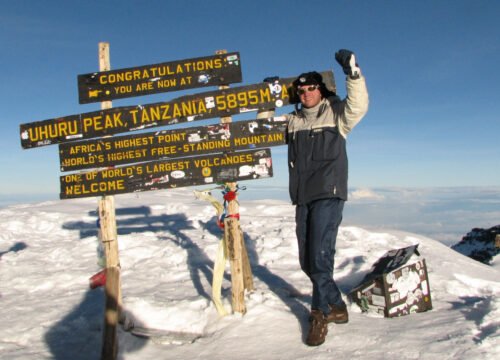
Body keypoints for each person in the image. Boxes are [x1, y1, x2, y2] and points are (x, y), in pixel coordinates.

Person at [285, 49, 369, 346]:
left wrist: (352, 74)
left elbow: (358, 106)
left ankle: (319, 315)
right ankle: (337, 307)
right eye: (302, 89)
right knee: (307, 261)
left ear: (321, 90)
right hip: (302, 197)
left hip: (328, 194)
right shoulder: (293, 121)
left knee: (321, 258)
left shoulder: (336, 114)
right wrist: (265, 104)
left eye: (311, 88)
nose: (306, 93)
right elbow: (262, 131)